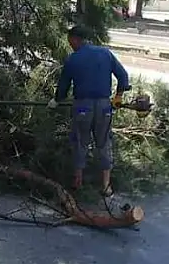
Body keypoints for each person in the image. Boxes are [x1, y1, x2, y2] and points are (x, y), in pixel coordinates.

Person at [49, 25, 130, 198]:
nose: (70, 44)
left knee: (80, 141)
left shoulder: (73, 59)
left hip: (82, 106)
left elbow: (63, 87)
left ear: (76, 39)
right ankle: (106, 185)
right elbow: (123, 77)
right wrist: (118, 97)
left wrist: (56, 100)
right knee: (104, 143)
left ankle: (78, 182)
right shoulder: (105, 53)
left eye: (70, 41)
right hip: (104, 107)